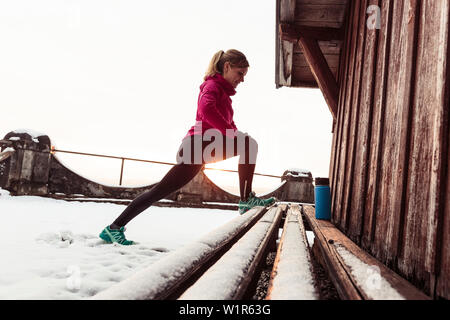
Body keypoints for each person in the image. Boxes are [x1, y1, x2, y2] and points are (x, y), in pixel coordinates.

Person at [99, 49, 275, 245]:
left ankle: (113, 228)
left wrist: (233, 133)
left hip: (200, 150)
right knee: (249, 144)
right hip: (196, 146)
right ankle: (246, 199)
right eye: (240, 73)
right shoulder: (211, 86)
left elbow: (229, 128)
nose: (242, 79)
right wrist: (232, 134)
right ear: (227, 67)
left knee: (158, 192)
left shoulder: (223, 95)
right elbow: (206, 110)